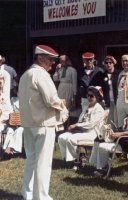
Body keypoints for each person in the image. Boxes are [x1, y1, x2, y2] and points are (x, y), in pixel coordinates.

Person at [18, 44, 68, 200]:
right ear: (40, 58)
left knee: (31, 160)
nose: (53, 63)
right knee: (43, 163)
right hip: (43, 124)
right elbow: (50, 99)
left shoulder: (25, 75)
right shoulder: (41, 75)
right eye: (50, 59)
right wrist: (62, 104)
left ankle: (28, 194)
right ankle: (41, 197)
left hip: (28, 123)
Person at [58, 86, 105, 169]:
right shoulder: (87, 107)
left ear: (97, 97)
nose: (89, 98)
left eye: (92, 96)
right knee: (61, 137)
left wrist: (77, 125)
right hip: (83, 131)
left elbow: (91, 124)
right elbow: (80, 120)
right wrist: (75, 127)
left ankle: (76, 161)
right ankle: (71, 158)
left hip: (93, 133)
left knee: (71, 139)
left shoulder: (99, 109)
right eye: (88, 95)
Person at [89, 111, 128, 177]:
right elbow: (126, 127)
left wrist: (120, 134)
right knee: (99, 139)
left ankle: (102, 169)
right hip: (124, 139)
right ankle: (97, 166)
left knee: (102, 146)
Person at [102, 55, 120, 128]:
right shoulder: (103, 75)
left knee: (117, 119)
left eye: (110, 62)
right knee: (108, 120)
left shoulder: (119, 74)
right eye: (106, 63)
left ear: (113, 63)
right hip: (108, 101)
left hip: (117, 100)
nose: (108, 64)